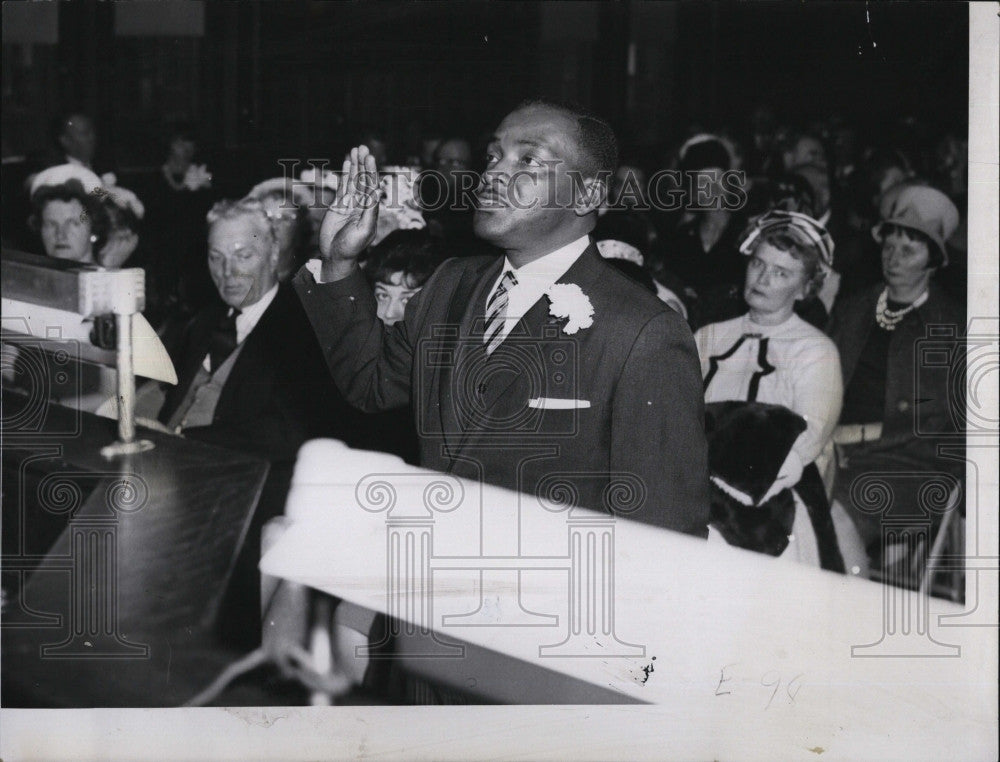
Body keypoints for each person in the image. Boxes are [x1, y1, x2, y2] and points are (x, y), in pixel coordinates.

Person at [296, 100, 709, 536]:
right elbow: (369, 380)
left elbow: (665, 531)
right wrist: (340, 261)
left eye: (527, 159)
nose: (493, 173)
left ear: (587, 194)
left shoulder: (641, 331)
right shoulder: (451, 284)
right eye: (493, 155)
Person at [154, 198, 362, 647]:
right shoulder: (206, 320)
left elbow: (292, 432)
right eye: (216, 256)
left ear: (273, 255)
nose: (227, 271)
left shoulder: (305, 323)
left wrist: (182, 442)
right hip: (181, 478)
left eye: (243, 255)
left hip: (252, 494)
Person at [694, 211, 852, 570]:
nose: (763, 279)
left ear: (805, 287)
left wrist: (746, 486)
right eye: (758, 264)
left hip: (772, 487)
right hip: (694, 473)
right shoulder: (709, 336)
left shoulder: (815, 349)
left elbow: (810, 435)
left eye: (781, 273)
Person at [828, 183, 964, 579]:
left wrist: (852, 435)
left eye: (909, 250)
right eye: (889, 245)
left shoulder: (953, 328)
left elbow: (938, 425)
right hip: (835, 453)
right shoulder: (854, 308)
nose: (894, 258)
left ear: (934, 260)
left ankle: (855, 615)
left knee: (832, 511)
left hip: (910, 466)